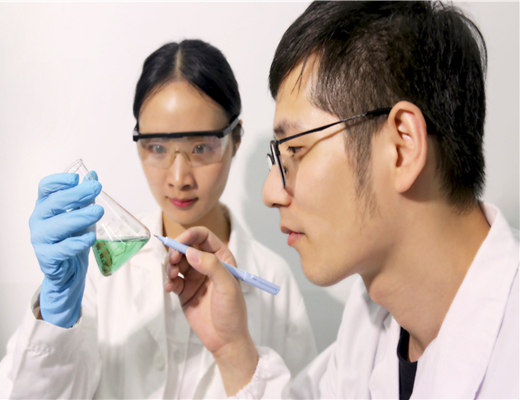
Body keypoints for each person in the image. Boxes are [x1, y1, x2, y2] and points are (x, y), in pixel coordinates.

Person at [164, 2, 519, 399]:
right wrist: (231, 349)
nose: (270, 193)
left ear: (402, 148)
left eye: (295, 149)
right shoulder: (369, 326)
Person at [0, 39, 316, 398]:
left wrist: (236, 353)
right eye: (157, 147)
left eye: (200, 147)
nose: (179, 177)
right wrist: (56, 317)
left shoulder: (273, 282)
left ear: (235, 139)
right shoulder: (98, 272)